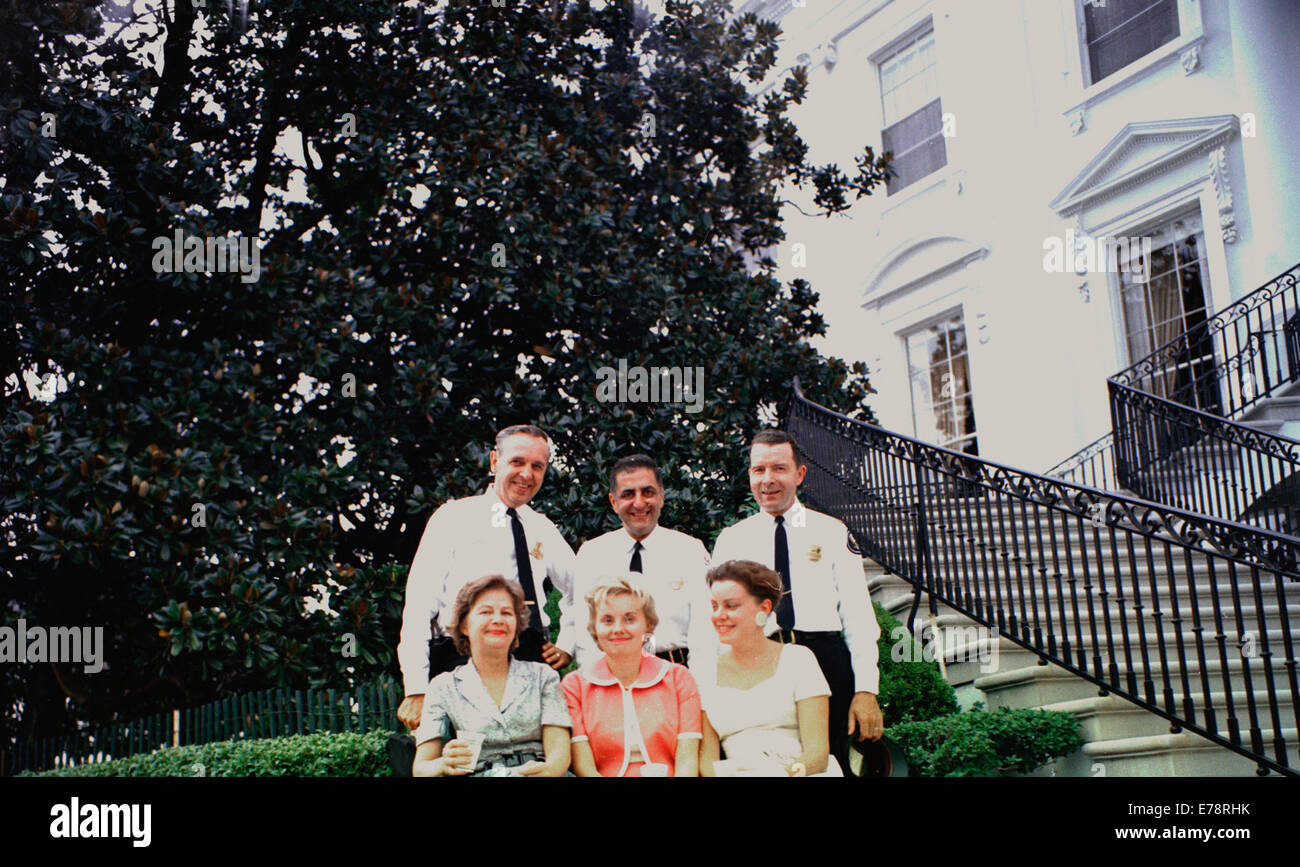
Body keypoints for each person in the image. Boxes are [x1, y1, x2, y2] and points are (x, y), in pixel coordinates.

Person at [710, 429, 881, 770]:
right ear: (749, 475)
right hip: (761, 663)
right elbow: (718, 620)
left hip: (825, 658)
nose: (768, 479)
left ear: (799, 474)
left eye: (779, 468)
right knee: (772, 762)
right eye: (759, 470)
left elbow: (858, 616)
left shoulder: (831, 532)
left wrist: (866, 689)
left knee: (831, 763)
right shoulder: (732, 540)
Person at [396, 424, 578, 734]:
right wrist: (416, 687)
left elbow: (582, 590)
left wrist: (568, 645)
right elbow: (418, 605)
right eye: (517, 462)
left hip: (529, 659)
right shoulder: (452, 518)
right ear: (495, 462)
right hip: (459, 659)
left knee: (533, 758)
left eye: (538, 466)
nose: (527, 474)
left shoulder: (543, 528)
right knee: (461, 762)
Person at [412, 574, 571, 777]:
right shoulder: (442, 687)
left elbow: (559, 753)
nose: (497, 620)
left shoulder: (544, 676)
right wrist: (444, 763)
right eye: (485, 612)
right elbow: (421, 768)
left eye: (507, 613)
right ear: (464, 626)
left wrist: (548, 771)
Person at [573, 454, 714, 673]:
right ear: (614, 502)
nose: (639, 503)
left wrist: (699, 696)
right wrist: (595, 686)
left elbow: (705, 634)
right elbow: (585, 636)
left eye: (648, 492)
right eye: (628, 494)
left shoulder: (690, 551)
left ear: (661, 497)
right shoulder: (591, 555)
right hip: (612, 676)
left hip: (675, 674)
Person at [699, 559, 840, 777]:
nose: (719, 615)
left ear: (764, 608)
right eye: (714, 606)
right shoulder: (705, 674)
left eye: (731, 605)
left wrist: (785, 773)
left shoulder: (799, 660)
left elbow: (818, 753)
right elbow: (707, 762)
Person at [561, 577, 703, 777]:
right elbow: (585, 768)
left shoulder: (678, 678)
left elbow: (687, 761)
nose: (618, 628)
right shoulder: (575, 686)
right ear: (594, 627)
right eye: (607, 620)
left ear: (648, 624)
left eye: (630, 619)